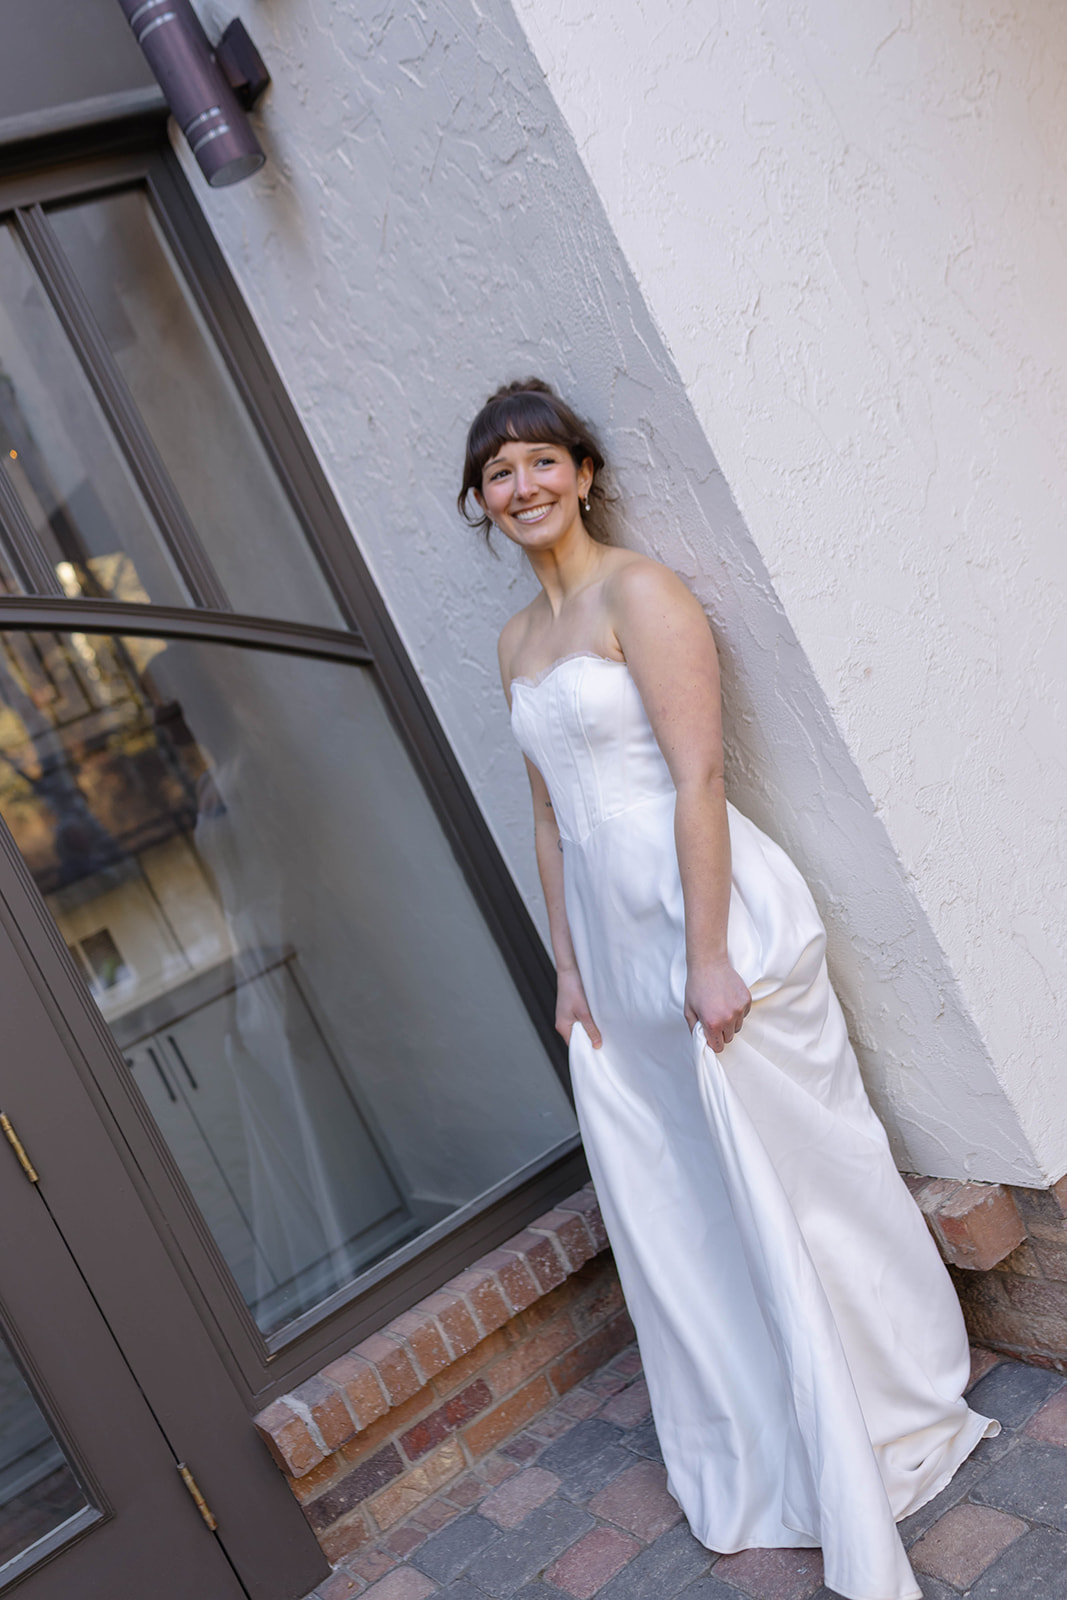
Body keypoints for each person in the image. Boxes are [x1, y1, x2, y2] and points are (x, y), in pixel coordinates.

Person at [458, 379, 996, 1600]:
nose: (523, 486)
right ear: (480, 504)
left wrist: (708, 955)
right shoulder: (513, 643)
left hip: (701, 912)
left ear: (583, 473)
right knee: (691, 1192)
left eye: (541, 461)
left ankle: (888, 1384)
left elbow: (696, 776)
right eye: (499, 474)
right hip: (608, 937)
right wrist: (567, 967)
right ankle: (764, 1420)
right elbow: (547, 820)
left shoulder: (640, 594)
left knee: (789, 1164)